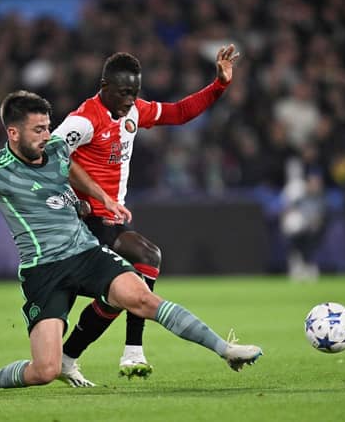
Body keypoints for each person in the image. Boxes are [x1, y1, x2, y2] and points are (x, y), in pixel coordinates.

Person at [0, 90, 262, 397]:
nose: (47, 135)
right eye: (38, 129)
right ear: (13, 133)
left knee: (142, 298)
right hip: (43, 271)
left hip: (86, 253)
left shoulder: (55, 149)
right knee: (45, 370)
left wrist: (102, 198)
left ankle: (225, 349)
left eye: (47, 126)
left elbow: (70, 167)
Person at [52, 45, 239, 382]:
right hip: (79, 222)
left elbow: (180, 112)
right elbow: (52, 157)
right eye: (124, 93)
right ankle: (130, 351)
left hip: (109, 218)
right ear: (104, 86)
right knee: (140, 264)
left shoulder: (134, 112)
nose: (129, 100)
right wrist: (84, 198)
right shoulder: (83, 120)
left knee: (124, 288)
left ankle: (71, 356)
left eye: (134, 92)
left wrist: (219, 85)